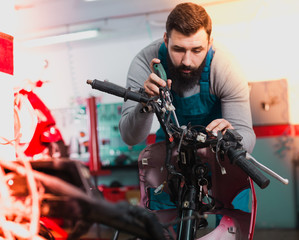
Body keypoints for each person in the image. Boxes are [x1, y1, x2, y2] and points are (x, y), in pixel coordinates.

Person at [119, 1, 256, 228]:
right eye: (178, 49)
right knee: (163, 223)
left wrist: (233, 137)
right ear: (166, 40)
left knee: (233, 218)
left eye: (197, 50)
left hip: (218, 152)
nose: (187, 61)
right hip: (171, 152)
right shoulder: (145, 62)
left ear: (209, 43)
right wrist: (145, 104)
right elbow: (130, 137)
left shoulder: (225, 67)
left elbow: (246, 137)